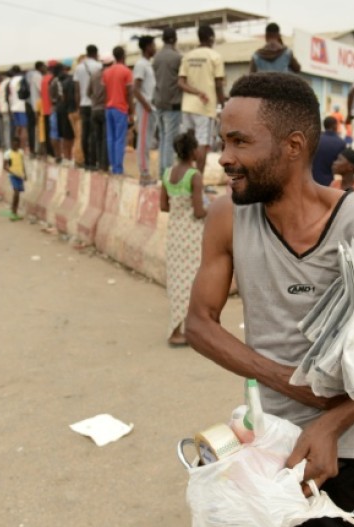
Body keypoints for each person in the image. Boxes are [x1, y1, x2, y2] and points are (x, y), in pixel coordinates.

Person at [185, 72, 354, 527]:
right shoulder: (227, 216)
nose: (224, 158)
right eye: (222, 141)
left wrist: (333, 421)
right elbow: (199, 324)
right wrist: (288, 381)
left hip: (351, 443)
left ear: (292, 146)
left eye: (239, 142)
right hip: (267, 441)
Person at [159, 131, 207, 347]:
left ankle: (178, 327)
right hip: (192, 234)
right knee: (192, 281)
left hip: (175, 234)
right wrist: (213, 208)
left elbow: (163, 206)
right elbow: (198, 212)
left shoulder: (168, 173)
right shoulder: (194, 176)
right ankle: (180, 331)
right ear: (192, 150)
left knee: (178, 282)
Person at [178, 24, 226, 175]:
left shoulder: (188, 56)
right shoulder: (215, 56)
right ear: (211, 38)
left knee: (187, 143)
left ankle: (185, 178)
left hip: (187, 107)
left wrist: (196, 92)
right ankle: (198, 181)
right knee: (202, 144)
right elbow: (219, 84)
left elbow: (180, 82)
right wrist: (223, 104)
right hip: (205, 108)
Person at [153, 28, 183, 178]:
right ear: (174, 39)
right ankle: (167, 174)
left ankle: (161, 173)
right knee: (170, 141)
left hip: (159, 102)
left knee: (163, 139)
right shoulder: (177, 57)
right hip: (173, 103)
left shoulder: (156, 57)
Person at [102, 46, 133, 175]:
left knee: (111, 138)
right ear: (124, 56)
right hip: (121, 108)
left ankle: (113, 166)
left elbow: (104, 92)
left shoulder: (107, 72)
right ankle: (118, 169)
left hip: (108, 108)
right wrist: (131, 111)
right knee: (120, 139)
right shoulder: (127, 71)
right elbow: (130, 93)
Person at [133, 35, 158, 185]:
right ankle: (144, 174)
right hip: (145, 108)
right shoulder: (141, 65)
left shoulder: (148, 64)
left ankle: (146, 171)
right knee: (143, 142)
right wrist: (147, 105)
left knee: (148, 141)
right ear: (147, 47)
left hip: (151, 108)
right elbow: (135, 89)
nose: (155, 48)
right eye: (153, 45)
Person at [75, 45, 102, 170]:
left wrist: (78, 106)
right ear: (95, 53)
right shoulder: (98, 66)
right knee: (95, 134)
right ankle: (93, 161)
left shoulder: (79, 67)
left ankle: (86, 161)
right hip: (95, 104)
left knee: (84, 134)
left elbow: (76, 89)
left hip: (83, 104)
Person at [89, 54, 112, 172]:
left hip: (94, 109)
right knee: (105, 138)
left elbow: (88, 92)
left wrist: (94, 100)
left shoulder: (94, 75)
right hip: (105, 108)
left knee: (97, 138)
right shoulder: (109, 75)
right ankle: (104, 165)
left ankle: (99, 164)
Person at [311, 116, 346, 187]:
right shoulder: (341, 143)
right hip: (328, 182)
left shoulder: (315, 139)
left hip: (311, 180)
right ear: (335, 126)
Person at [8, 66, 28, 155]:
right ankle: (23, 148)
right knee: (24, 128)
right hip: (22, 107)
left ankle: (16, 147)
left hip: (14, 106)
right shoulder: (22, 79)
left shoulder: (11, 81)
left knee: (17, 128)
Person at [5, 137, 26, 221]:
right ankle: (13, 213)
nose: (15, 146)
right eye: (14, 145)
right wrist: (12, 172)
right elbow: (5, 166)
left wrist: (25, 174)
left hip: (20, 175)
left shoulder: (21, 152)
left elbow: (22, 163)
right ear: (11, 144)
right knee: (16, 193)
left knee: (18, 195)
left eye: (17, 145)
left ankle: (15, 212)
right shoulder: (7, 153)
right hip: (13, 176)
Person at [26, 61, 45, 154]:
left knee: (35, 127)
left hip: (33, 104)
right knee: (39, 128)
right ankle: (38, 149)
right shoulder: (38, 76)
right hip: (38, 104)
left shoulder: (31, 76)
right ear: (40, 67)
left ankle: (35, 149)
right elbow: (42, 90)